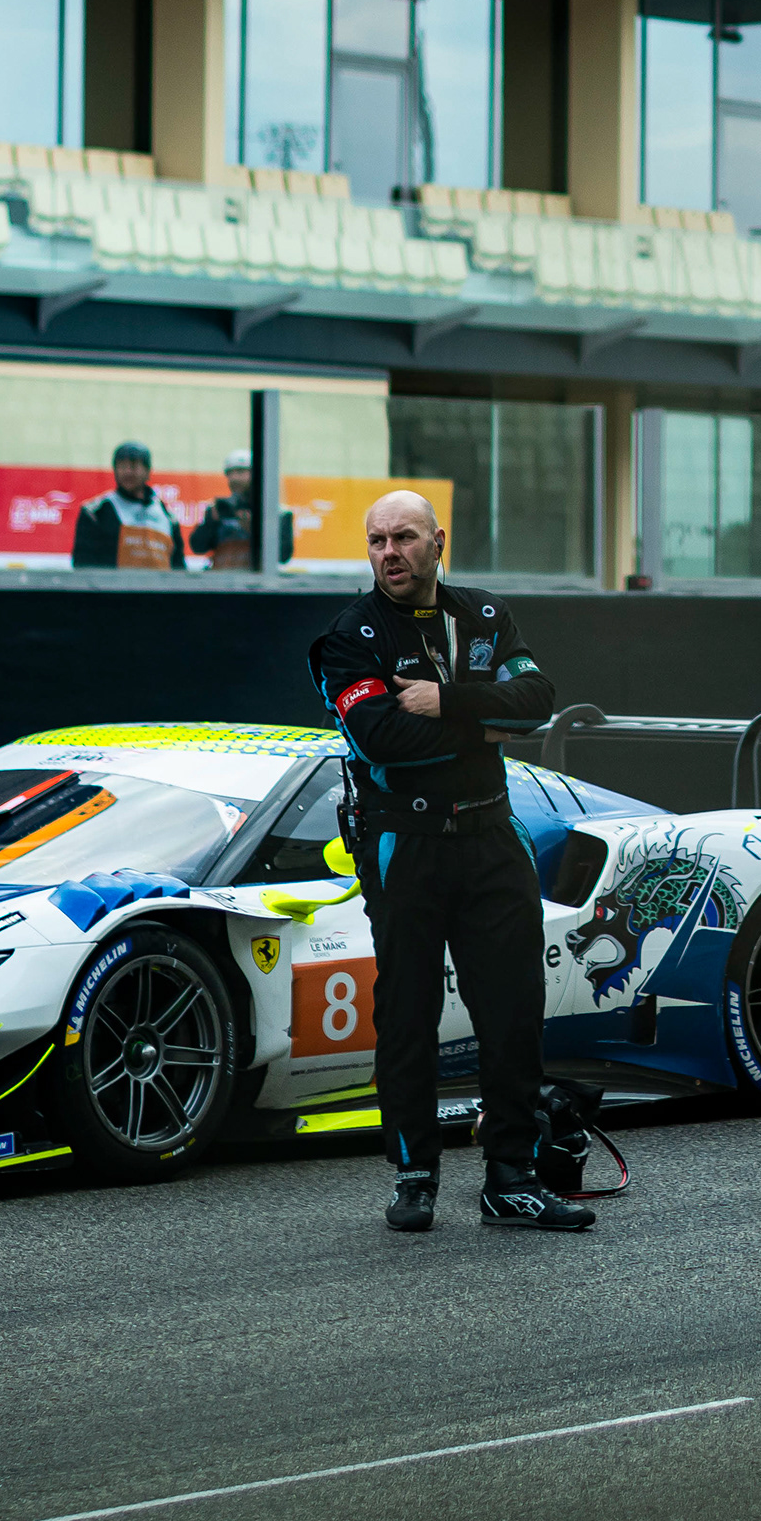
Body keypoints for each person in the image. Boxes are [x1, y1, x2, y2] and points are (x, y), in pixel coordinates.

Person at [312, 487, 592, 1235]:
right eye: (376, 541)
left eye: (403, 538)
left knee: (513, 1010)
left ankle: (511, 1178)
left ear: (439, 541)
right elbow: (380, 741)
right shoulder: (350, 636)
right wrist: (485, 720)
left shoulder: (486, 613)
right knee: (408, 1012)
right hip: (405, 842)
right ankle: (414, 1173)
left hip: (493, 837)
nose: (389, 554)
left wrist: (447, 701)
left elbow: (536, 701)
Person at [69, 442, 184, 570]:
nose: (128, 472)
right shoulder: (96, 513)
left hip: (159, 589)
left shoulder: (167, 517)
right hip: (114, 589)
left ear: (147, 471)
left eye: (134, 466)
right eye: (122, 466)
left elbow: (179, 569)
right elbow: (83, 566)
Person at [192, 450, 291, 572]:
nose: (234, 478)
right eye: (229, 474)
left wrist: (255, 530)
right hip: (222, 584)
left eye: (240, 472)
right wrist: (210, 523)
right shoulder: (220, 510)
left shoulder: (277, 513)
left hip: (257, 585)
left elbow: (284, 556)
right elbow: (197, 547)